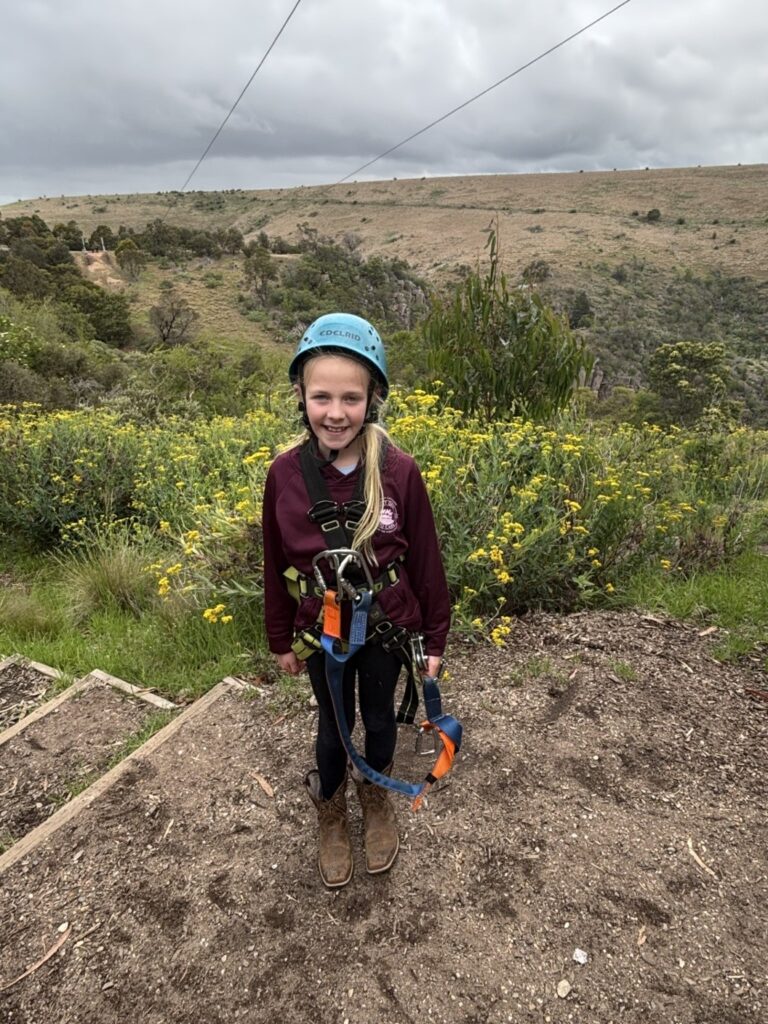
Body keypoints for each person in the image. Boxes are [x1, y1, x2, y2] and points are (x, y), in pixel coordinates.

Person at [261, 312, 451, 888]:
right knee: (333, 721)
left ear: (373, 400)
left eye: (352, 397)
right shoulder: (285, 475)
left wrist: (435, 641)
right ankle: (330, 811)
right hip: (321, 625)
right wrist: (279, 639)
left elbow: (426, 563)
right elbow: (274, 562)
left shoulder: (398, 472)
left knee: (379, 715)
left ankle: (375, 797)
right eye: (321, 396)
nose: (336, 412)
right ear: (301, 397)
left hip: (387, 623)